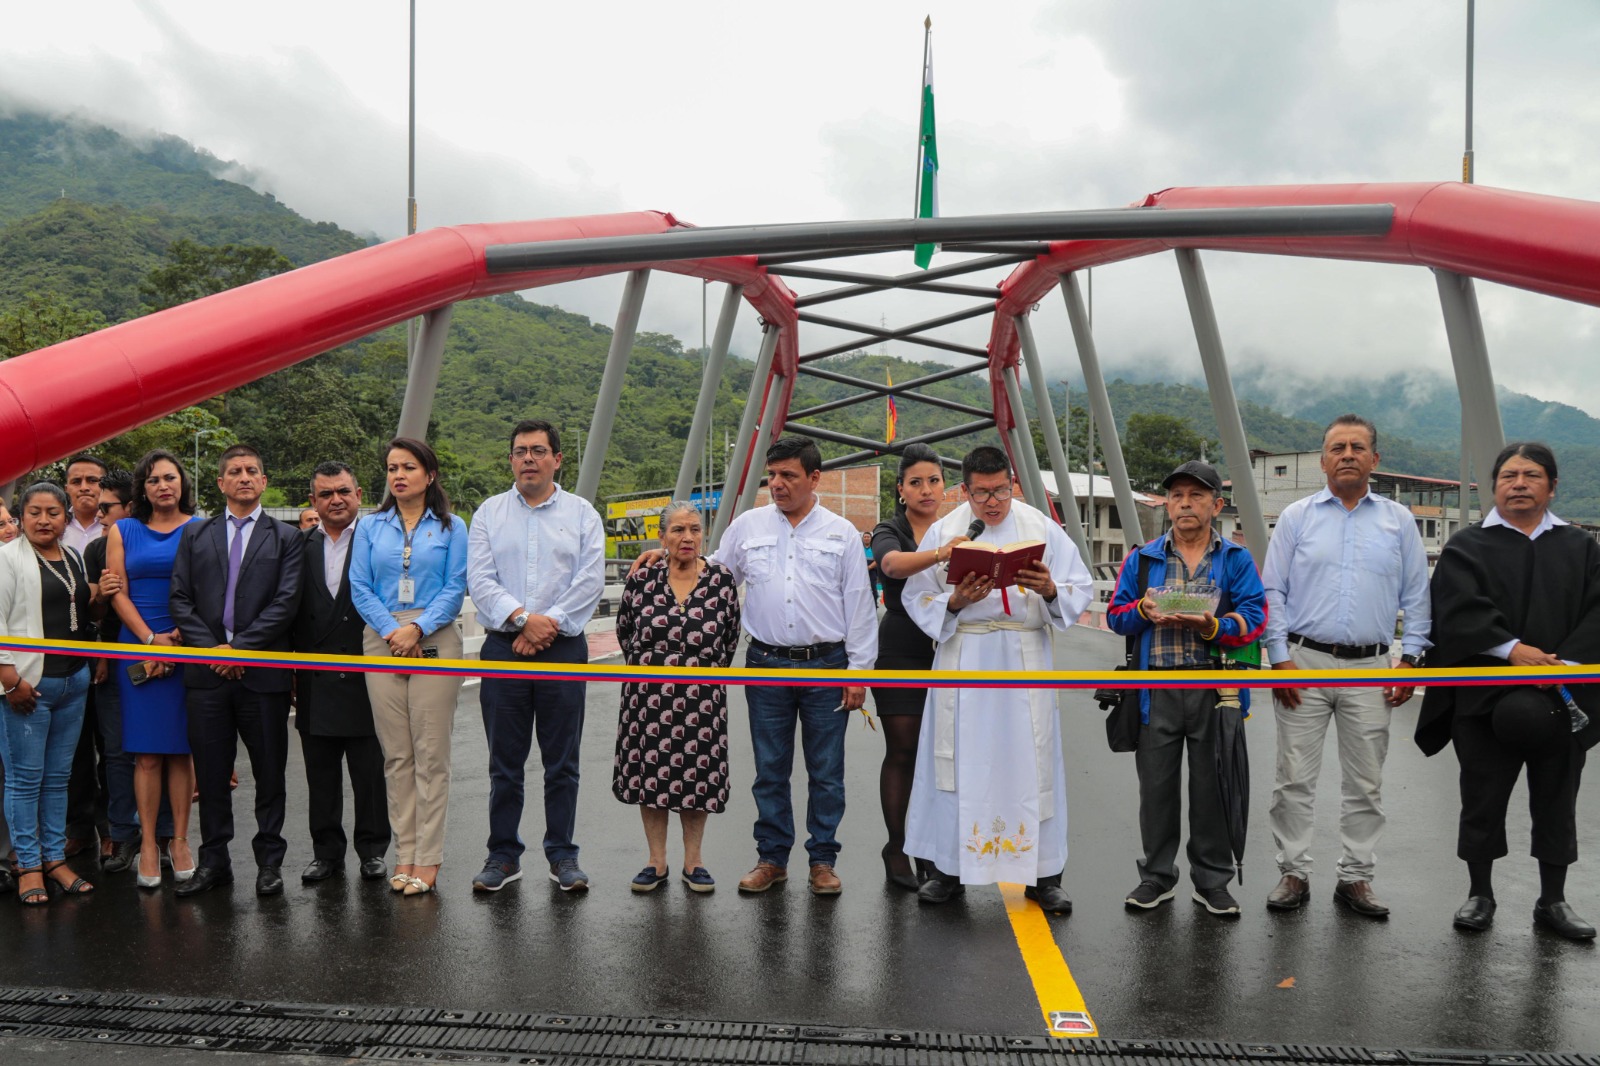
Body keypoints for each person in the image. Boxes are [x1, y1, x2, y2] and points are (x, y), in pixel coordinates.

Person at [1416, 442, 1600, 940]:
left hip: (1561, 696)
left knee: (1557, 797)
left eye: (1532, 475)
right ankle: (1480, 892)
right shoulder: (1467, 546)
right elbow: (1454, 609)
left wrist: (1565, 665)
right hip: (1483, 696)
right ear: (1493, 486)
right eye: (1509, 475)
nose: (1519, 483)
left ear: (1553, 485)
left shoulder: (1581, 547)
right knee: (1482, 795)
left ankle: (1553, 900)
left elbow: (1597, 613)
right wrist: (1512, 650)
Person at [903, 445, 1092, 911]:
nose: (993, 502)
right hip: (965, 654)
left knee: (1033, 762)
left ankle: (1044, 875)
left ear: (1014, 485)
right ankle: (949, 870)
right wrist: (955, 602)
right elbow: (915, 596)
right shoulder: (945, 533)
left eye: (1002, 490)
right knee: (957, 764)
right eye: (982, 492)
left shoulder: (1040, 528)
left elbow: (1078, 586)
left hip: (1023, 658)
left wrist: (1049, 589)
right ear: (964, 491)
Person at [1261, 415, 1431, 919]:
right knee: (1292, 778)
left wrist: (1411, 659)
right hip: (1304, 663)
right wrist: (1280, 658)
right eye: (1338, 447)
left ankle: (1356, 878)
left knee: (1366, 782)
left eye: (1358, 447)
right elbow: (1274, 591)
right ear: (1323, 459)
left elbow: (1417, 595)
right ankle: (1293, 871)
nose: (1348, 454)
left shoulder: (1398, 521)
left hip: (1372, 666)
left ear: (1375, 459)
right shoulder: (1296, 517)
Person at [718, 436, 878, 895]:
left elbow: (859, 606)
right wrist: (665, 560)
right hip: (765, 663)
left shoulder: (841, 532)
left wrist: (858, 672)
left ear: (814, 478)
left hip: (827, 664)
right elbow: (715, 576)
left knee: (826, 770)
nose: (777, 484)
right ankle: (772, 858)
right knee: (770, 767)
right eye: (772, 476)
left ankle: (823, 860)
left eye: (788, 475)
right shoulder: (747, 527)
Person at [1106, 460, 1267, 917]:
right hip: (1155, 688)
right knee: (1155, 789)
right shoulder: (1143, 559)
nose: (1185, 504)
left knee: (1212, 788)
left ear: (1216, 505)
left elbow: (1256, 617)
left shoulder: (1234, 559)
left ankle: (1212, 879)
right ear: (1168, 505)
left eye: (1196, 496)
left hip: (1215, 688)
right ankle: (1156, 876)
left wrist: (1214, 625)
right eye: (1177, 496)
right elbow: (1116, 616)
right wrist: (1143, 609)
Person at [467, 419, 604, 893]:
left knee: (561, 761)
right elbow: (480, 580)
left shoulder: (583, 514)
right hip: (505, 647)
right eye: (520, 451)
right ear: (511, 459)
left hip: (563, 649)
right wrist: (524, 620)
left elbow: (589, 582)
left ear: (557, 459)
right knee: (504, 762)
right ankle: (503, 855)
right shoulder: (488, 513)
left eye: (539, 450)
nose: (529, 458)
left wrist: (545, 625)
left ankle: (563, 855)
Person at [169, 444, 304, 897]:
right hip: (207, 676)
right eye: (234, 471)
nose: (244, 477)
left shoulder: (286, 538)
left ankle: (269, 862)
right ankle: (215, 862)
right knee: (209, 774)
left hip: (262, 676)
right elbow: (180, 600)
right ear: (221, 483)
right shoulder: (195, 535)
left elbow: (285, 604)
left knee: (269, 772)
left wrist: (240, 648)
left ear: (264, 482)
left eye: (252, 470)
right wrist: (215, 651)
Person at [350, 440, 466, 896]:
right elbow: (360, 586)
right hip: (381, 638)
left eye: (409, 467)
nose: (399, 475)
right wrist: (391, 631)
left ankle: (429, 859)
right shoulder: (370, 526)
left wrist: (417, 628)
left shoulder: (453, 526)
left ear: (429, 474)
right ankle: (405, 852)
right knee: (397, 756)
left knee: (431, 757)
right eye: (392, 468)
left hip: (434, 636)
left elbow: (456, 586)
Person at [613, 501, 740, 892]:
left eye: (695, 530)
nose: (687, 538)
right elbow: (625, 631)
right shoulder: (642, 579)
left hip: (702, 698)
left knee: (697, 777)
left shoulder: (721, 579)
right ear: (662, 536)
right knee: (651, 776)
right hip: (647, 697)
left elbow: (730, 638)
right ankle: (656, 861)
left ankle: (694, 862)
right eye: (678, 530)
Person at [869, 443, 966, 891]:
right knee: (904, 751)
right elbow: (891, 564)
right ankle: (896, 846)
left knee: (947, 753)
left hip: (954, 645)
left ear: (946, 487)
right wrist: (945, 552)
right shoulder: (890, 528)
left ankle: (937, 850)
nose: (926, 489)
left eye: (934, 480)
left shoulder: (963, 524)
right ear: (901, 489)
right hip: (903, 645)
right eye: (916, 482)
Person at [294, 461, 390, 884]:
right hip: (314, 674)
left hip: (365, 672)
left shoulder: (377, 541)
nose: (336, 500)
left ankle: (372, 850)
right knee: (321, 774)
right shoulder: (298, 546)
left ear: (359, 494)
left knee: (369, 773)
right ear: (313, 500)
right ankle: (326, 853)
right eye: (326, 494)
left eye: (343, 492)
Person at [0, 483, 96, 903]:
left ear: (66, 516)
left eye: (53, 512)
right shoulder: (6, 559)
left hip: (73, 682)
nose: (43, 520)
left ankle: (55, 859)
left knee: (58, 779)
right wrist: (10, 681)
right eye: (34, 512)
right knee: (25, 781)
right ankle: (28, 866)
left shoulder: (73, 556)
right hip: (28, 686)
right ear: (21, 516)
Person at [107, 451, 198, 889]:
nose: (163, 485)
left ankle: (179, 841)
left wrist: (177, 639)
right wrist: (150, 640)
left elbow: (211, 590)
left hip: (187, 645)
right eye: (153, 479)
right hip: (138, 646)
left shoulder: (201, 529)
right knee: (145, 754)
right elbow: (117, 592)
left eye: (170, 477)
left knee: (181, 750)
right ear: (141, 489)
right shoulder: (122, 530)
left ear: (182, 482)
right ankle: (147, 844)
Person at [84, 470, 171, 875]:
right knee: (119, 753)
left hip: (173, 650)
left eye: (107, 507)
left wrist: (165, 641)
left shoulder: (186, 533)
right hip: (123, 657)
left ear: (129, 508)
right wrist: (101, 594)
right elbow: (98, 614)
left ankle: (169, 838)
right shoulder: (100, 549)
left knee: (170, 749)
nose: (99, 514)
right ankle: (123, 834)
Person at [62, 454, 109, 863]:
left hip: (112, 642)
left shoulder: (117, 528)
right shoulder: (52, 528)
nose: (85, 487)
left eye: (92, 480)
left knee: (111, 742)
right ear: (67, 487)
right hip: (67, 650)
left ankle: (113, 828)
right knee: (74, 748)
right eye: (77, 480)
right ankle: (79, 828)